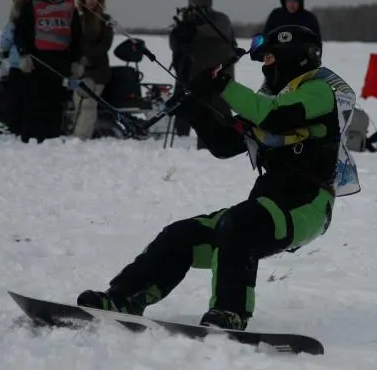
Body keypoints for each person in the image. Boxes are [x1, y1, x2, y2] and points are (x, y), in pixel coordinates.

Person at [77, 25, 360, 331]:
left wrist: (221, 83)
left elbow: (275, 116)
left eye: (269, 58)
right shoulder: (272, 98)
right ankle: (122, 298)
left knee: (237, 225)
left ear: (294, 57)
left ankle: (230, 314)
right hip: (269, 204)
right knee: (180, 236)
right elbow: (225, 145)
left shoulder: (318, 91)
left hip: (307, 206)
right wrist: (196, 109)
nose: (266, 66)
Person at [13, 0, 83, 143]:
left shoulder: (68, 7)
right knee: (33, 100)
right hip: (36, 60)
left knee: (55, 101)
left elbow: (77, 36)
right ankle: (29, 136)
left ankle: (52, 135)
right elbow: (20, 32)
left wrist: (75, 60)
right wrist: (24, 54)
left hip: (60, 61)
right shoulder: (32, 4)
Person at [168, 0, 235, 148]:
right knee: (188, 106)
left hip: (219, 72)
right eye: (194, 5)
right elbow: (175, 44)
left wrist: (195, 30)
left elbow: (220, 30)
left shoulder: (220, 18)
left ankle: (224, 142)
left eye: (200, 5)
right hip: (192, 74)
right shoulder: (186, 20)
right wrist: (179, 33)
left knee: (219, 109)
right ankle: (182, 140)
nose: (197, 9)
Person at [72, 0, 114, 140]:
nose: (90, 0)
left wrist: (87, 57)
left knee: (88, 104)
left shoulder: (105, 20)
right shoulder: (77, 19)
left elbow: (105, 45)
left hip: (97, 71)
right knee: (78, 103)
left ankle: (81, 138)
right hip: (79, 71)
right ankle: (76, 133)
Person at [0, 0, 34, 135]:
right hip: (35, 63)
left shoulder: (17, 14)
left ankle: (15, 127)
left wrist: (2, 50)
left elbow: (6, 40)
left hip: (17, 63)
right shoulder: (38, 10)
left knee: (15, 98)